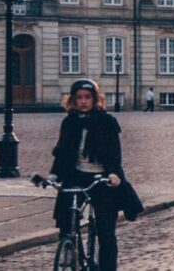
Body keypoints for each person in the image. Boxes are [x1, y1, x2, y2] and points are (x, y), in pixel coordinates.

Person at [47, 79, 126, 271]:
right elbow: (62, 152)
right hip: (77, 176)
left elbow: (115, 153)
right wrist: (54, 175)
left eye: (87, 97)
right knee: (66, 217)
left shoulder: (107, 122)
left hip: (102, 178)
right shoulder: (69, 122)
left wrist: (114, 174)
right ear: (73, 100)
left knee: (106, 232)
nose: (83, 101)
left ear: (95, 99)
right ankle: (68, 247)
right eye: (79, 97)